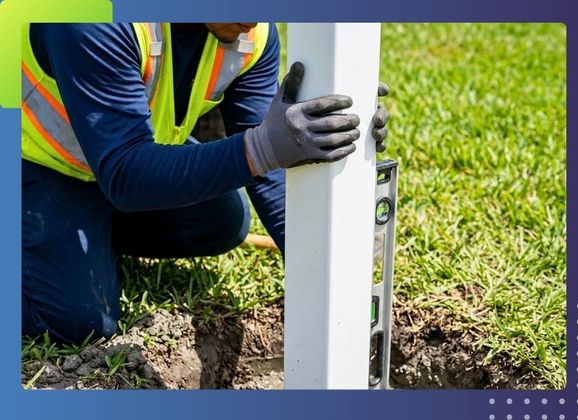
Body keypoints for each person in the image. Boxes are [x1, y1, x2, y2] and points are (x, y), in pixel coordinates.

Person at [21, 23, 390, 345]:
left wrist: (322, 265)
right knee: (78, 322)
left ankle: (78, 237)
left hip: (104, 162)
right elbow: (126, 174)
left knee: (223, 220)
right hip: (32, 162)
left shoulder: (251, 33)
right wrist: (261, 147)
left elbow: (274, 161)